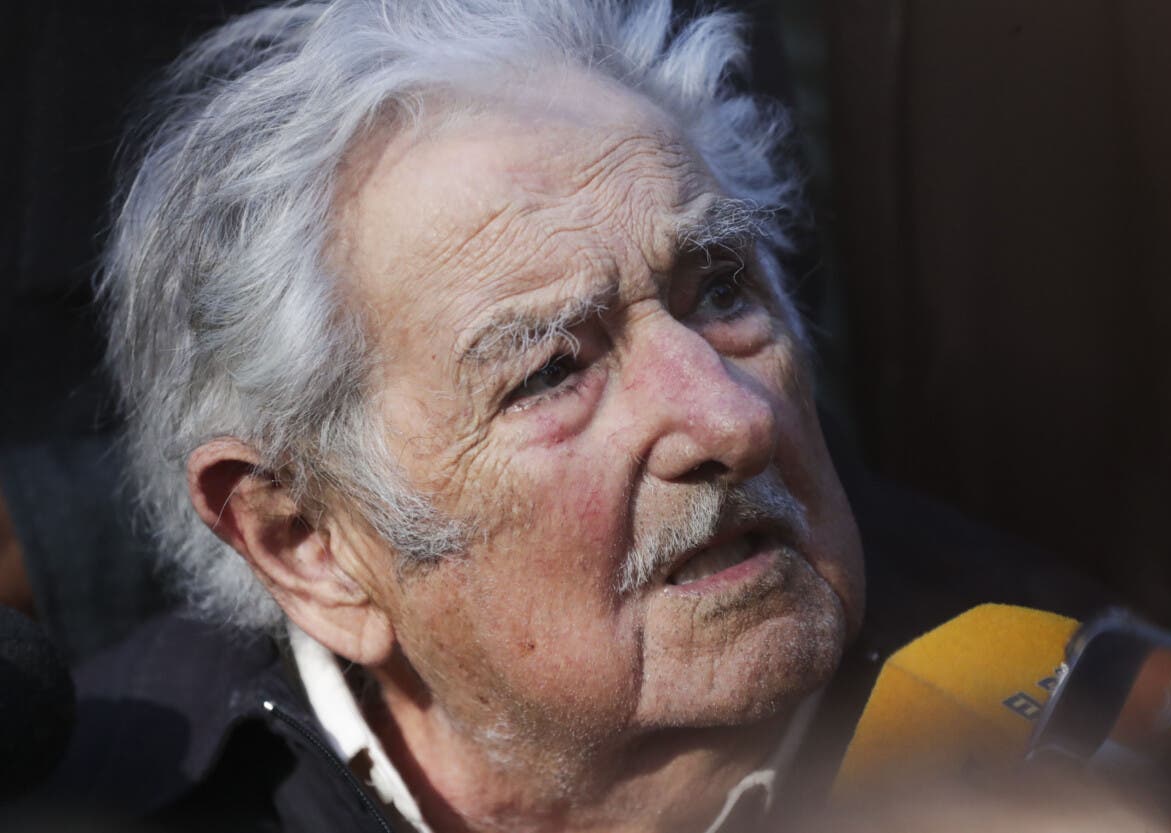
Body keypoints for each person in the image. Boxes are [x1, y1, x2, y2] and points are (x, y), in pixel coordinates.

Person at [33, 1, 1106, 831]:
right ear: (307, 540)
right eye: (551, 371)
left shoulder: (1095, 725)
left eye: (721, 293)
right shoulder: (94, 798)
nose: (728, 421)